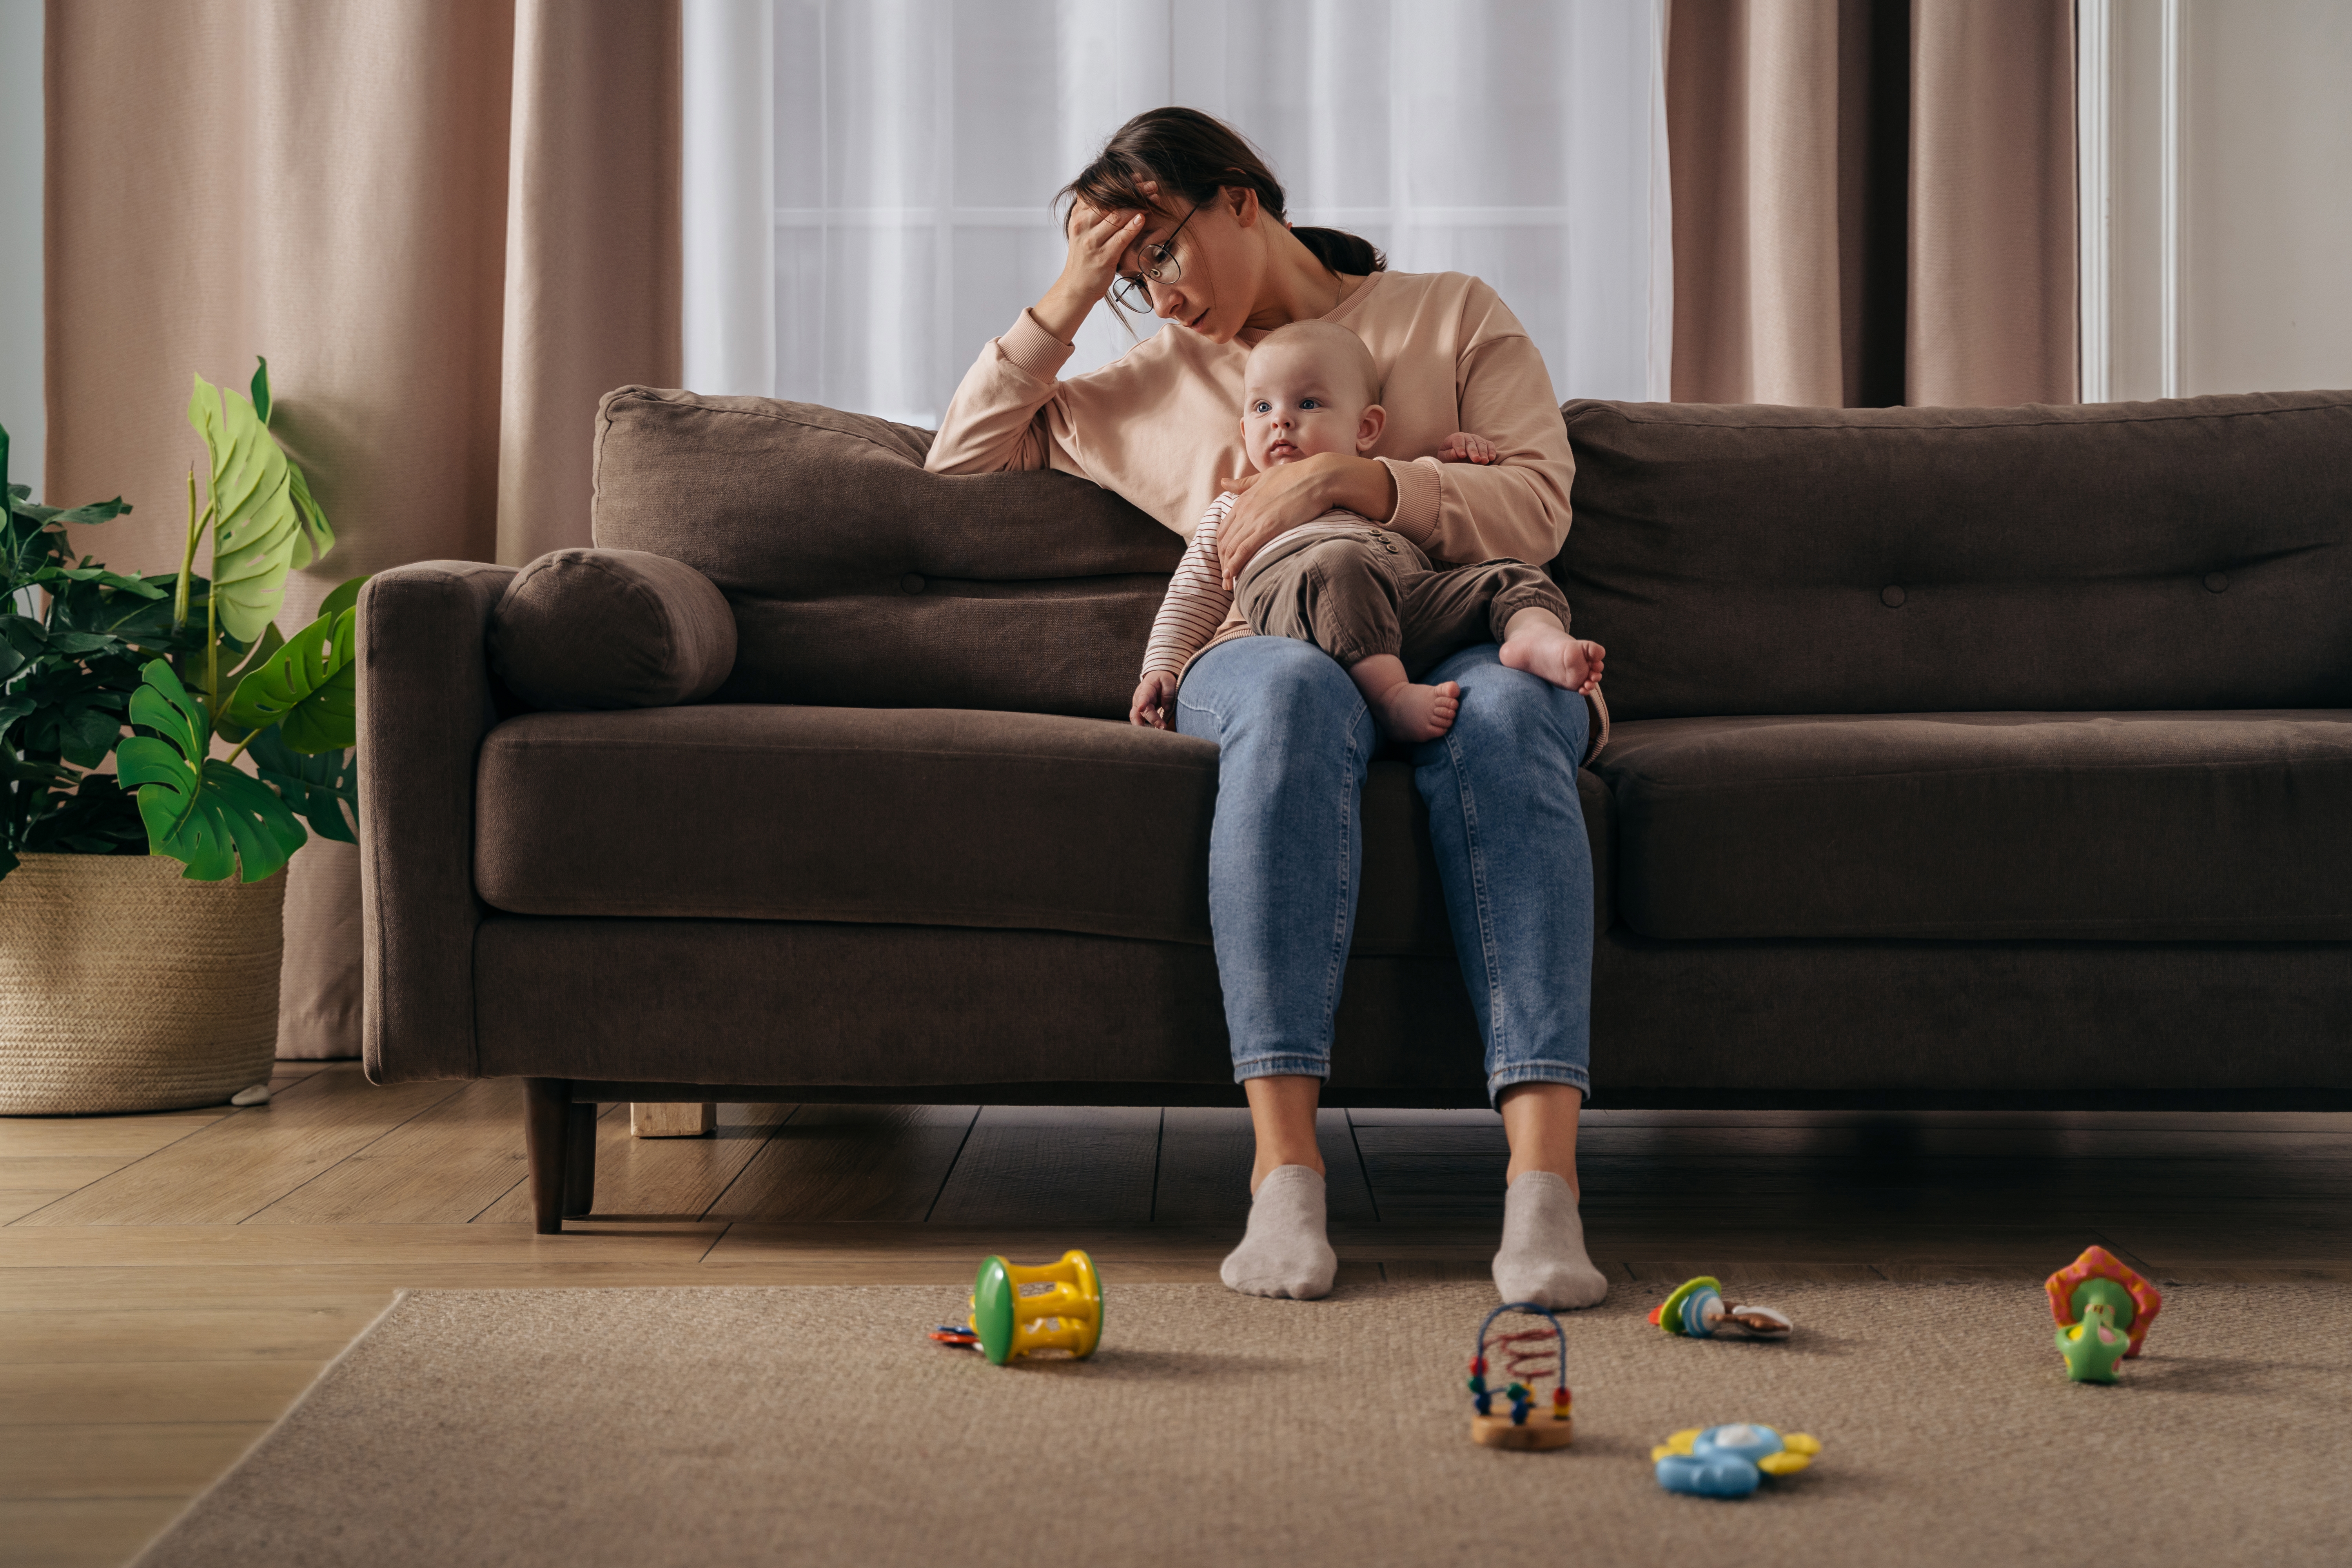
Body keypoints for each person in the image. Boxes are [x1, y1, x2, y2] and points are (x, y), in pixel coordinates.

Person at [928, 106, 1606, 1310]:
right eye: (1133, 271)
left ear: (1241, 197)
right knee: (1292, 690)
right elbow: (962, 457)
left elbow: (1537, 509)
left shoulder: (1447, 312)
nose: (1158, 289)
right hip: (1269, 643)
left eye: (1161, 249)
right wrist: (1073, 294)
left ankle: (1541, 1188)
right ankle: (1283, 1174)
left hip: (1459, 626)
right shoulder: (1152, 383)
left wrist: (1356, 478)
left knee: (1504, 714)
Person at [1129, 318, 1605, 744]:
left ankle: (1531, 638)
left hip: (1402, 605)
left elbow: (1448, 544)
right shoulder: (1236, 504)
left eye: (1308, 403)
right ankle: (1390, 696)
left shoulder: (1387, 481)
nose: (1280, 419)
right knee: (1340, 563)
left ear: (1366, 428)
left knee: (1511, 575)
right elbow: (1194, 592)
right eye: (1261, 408)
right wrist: (1162, 667)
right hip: (1303, 608)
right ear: (1243, 430)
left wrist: (1460, 462)